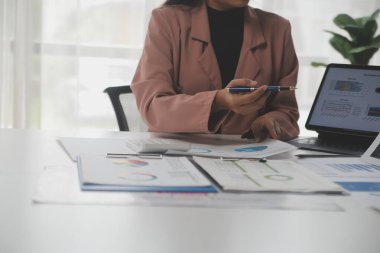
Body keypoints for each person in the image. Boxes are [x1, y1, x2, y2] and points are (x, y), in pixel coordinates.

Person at [131, 0, 299, 142]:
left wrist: (270, 121)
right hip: (180, 156)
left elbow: (286, 111)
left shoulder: (278, 29)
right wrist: (218, 101)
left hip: (250, 158)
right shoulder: (167, 20)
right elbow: (153, 108)